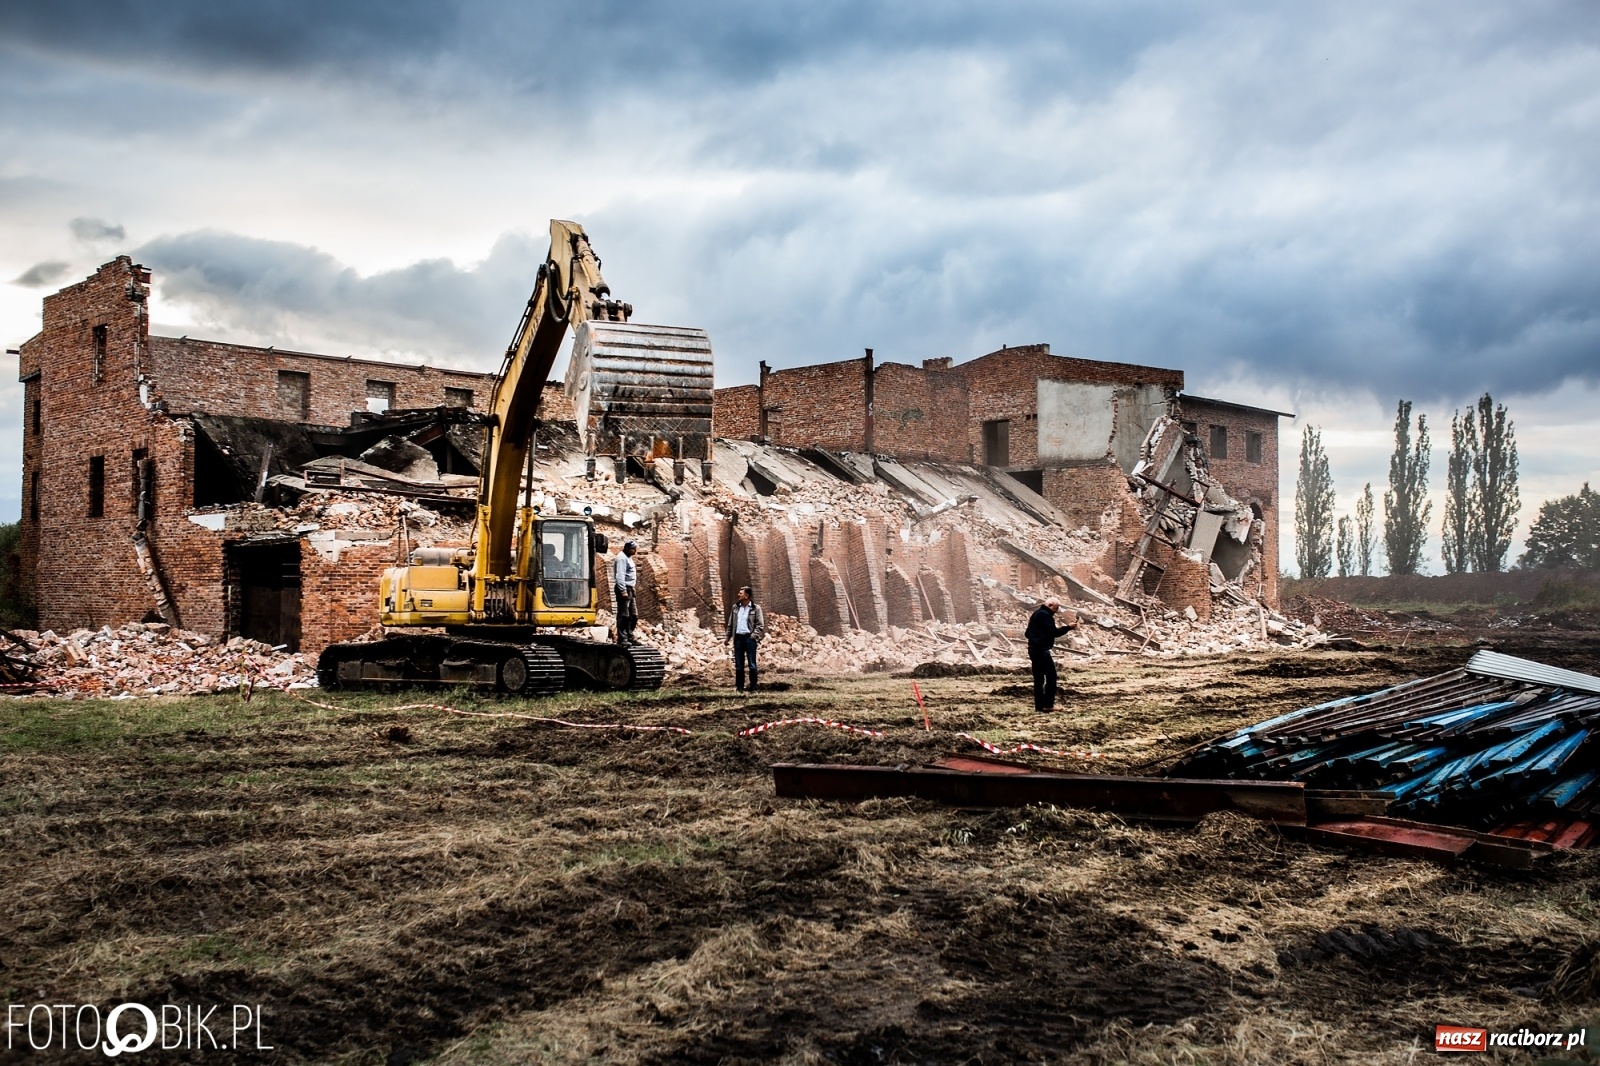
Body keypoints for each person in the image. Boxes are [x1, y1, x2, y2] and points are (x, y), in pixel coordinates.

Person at [1024, 595, 1078, 712]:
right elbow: (1053, 632)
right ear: (1050, 605)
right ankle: (1048, 705)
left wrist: (1036, 637)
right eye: (1056, 608)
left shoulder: (1036, 614)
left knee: (1038, 679)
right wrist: (1068, 627)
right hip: (1041, 650)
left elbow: (1027, 634)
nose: (1057, 611)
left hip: (1033, 649)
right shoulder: (1045, 615)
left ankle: (1039, 707)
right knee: (1051, 676)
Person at [724, 585, 766, 692]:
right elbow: (730, 624)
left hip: (749, 639)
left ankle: (753, 688)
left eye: (741, 593)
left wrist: (753, 636)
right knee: (739, 665)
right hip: (738, 639)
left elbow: (760, 625)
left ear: (747, 596)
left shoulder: (756, 608)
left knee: (752, 664)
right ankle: (739, 688)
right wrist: (727, 637)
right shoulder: (735, 608)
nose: (738, 594)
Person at [613, 540, 638, 645]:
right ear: (627, 548)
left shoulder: (628, 557)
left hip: (629, 588)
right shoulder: (621, 558)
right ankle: (622, 638)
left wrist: (632, 587)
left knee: (633, 615)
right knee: (624, 614)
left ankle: (629, 635)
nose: (635, 551)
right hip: (624, 589)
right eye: (633, 549)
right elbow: (620, 576)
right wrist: (623, 591)